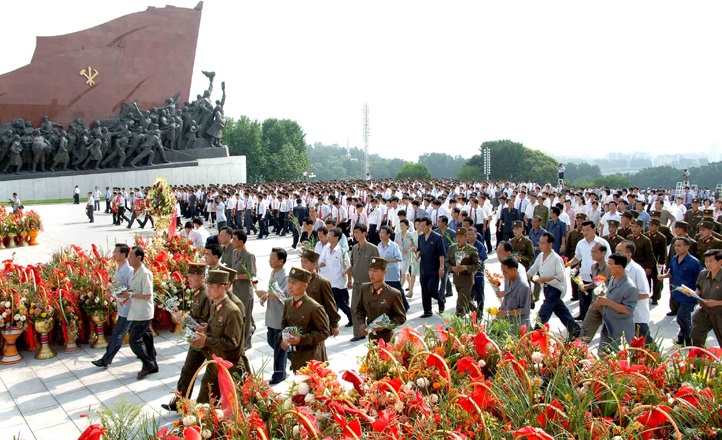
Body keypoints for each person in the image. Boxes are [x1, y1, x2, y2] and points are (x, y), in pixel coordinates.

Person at [191, 269, 249, 404]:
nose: (208, 290)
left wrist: (206, 340)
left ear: (223, 287)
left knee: (237, 406)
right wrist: (206, 330)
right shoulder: (215, 306)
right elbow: (216, 331)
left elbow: (232, 343)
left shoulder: (232, 311)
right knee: (203, 403)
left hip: (230, 367)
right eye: (208, 286)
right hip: (215, 363)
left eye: (211, 287)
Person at [162, 263, 211, 411]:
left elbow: (206, 320)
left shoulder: (205, 295)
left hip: (206, 341)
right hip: (196, 340)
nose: (188, 279)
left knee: (211, 376)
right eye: (188, 276)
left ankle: (205, 407)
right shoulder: (196, 293)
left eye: (192, 276)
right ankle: (180, 402)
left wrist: (188, 321)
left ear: (201, 277)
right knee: (187, 370)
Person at [528, 232, 580, 339]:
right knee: (561, 311)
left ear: (550, 244)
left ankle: (536, 332)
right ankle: (576, 331)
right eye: (540, 243)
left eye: (543, 243)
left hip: (556, 288)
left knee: (544, 311)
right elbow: (533, 269)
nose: (540, 245)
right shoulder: (540, 256)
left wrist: (545, 279)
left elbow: (560, 277)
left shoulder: (556, 258)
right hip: (547, 288)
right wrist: (524, 279)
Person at [280, 267, 331, 372]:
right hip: (296, 357)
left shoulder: (314, 307)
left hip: (312, 358)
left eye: (294, 283)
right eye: (289, 282)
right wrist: (283, 339)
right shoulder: (288, 303)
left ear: (305, 285)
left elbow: (324, 332)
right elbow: (284, 325)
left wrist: (302, 339)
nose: (290, 286)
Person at [92, 244, 133, 368]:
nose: (113, 254)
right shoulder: (118, 268)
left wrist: (119, 293)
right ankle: (149, 354)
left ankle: (106, 359)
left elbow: (133, 289)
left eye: (116, 252)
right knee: (142, 334)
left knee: (118, 334)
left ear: (124, 254)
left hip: (129, 308)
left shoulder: (129, 270)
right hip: (122, 306)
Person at [659, 237, 703, 346]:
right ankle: (682, 336)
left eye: (679, 245)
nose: (676, 248)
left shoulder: (694, 262)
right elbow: (671, 273)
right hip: (677, 293)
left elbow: (700, 279)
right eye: (675, 246)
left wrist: (697, 292)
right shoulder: (674, 259)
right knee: (682, 317)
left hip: (689, 295)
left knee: (682, 316)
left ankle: (689, 339)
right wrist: (663, 276)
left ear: (687, 247)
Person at [255, 247, 289, 385]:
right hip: (272, 315)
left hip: (280, 316)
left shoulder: (285, 276)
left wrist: (267, 294)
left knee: (279, 346)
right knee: (272, 341)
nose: (270, 261)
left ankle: (279, 374)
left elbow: (283, 295)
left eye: (272, 258)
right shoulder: (273, 272)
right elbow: (272, 291)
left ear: (281, 261)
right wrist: (265, 296)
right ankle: (289, 354)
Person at [124, 246, 158, 379]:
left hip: (143, 313)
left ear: (139, 258)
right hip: (136, 311)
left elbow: (147, 295)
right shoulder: (134, 272)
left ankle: (148, 363)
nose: (129, 259)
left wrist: (129, 295)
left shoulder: (145, 273)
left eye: (131, 256)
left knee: (134, 341)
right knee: (147, 339)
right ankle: (153, 365)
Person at [593, 253, 638, 353]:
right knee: (602, 354)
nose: (607, 266)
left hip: (620, 330)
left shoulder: (630, 287)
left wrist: (608, 302)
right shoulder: (613, 279)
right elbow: (610, 296)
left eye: (610, 264)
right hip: (607, 325)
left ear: (620, 267)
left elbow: (628, 310)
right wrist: (602, 300)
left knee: (620, 357)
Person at [355, 257, 407, 344]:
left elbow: (401, 317)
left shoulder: (393, 293)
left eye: (375, 271)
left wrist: (385, 325)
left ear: (384, 272)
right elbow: (359, 309)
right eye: (370, 270)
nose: (371, 274)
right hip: (372, 338)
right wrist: (361, 323)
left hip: (387, 339)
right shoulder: (365, 288)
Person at [348, 224, 380, 341]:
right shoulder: (354, 248)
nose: (355, 235)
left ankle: (374, 332)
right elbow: (352, 264)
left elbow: (378, 266)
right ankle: (358, 333)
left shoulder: (372, 249)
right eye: (354, 232)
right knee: (354, 308)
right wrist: (349, 279)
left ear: (364, 233)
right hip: (357, 284)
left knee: (370, 309)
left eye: (357, 232)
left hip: (369, 285)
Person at [319, 228, 353, 328]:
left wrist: (349, 280)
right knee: (341, 303)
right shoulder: (325, 248)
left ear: (337, 238)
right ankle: (352, 318)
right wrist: (318, 266)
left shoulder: (342, 251)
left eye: (331, 235)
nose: (328, 237)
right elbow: (322, 261)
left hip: (338, 282)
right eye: (328, 235)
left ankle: (331, 325)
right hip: (327, 281)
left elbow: (348, 267)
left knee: (333, 304)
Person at [230, 229, 257, 350]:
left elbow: (251, 274)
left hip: (245, 290)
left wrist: (237, 277)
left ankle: (246, 341)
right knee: (239, 315)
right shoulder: (234, 253)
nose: (232, 241)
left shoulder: (249, 255)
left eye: (235, 239)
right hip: (236, 289)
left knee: (246, 316)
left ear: (241, 242)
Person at [445, 227, 481, 316]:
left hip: (467, 280)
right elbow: (447, 262)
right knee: (466, 299)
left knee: (460, 302)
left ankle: (458, 317)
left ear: (466, 237)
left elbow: (477, 265)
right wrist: (452, 268)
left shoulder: (472, 249)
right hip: (457, 279)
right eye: (457, 237)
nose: (458, 239)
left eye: (461, 237)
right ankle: (478, 315)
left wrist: (466, 267)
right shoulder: (452, 248)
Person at [580, 243, 611, 341]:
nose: (592, 254)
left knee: (610, 332)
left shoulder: (609, 268)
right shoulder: (593, 267)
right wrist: (587, 286)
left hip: (607, 305)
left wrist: (603, 300)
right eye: (592, 251)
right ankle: (580, 348)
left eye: (595, 252)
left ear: (603, 253)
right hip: (595, 303)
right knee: (585, 329)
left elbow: (611, 287)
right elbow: (596, 283)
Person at [416, 217, 447, 317]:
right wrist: (418, 254)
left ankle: (440, 299)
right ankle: (427, 310)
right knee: (424, 290)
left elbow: (441, 254)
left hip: (434, 268)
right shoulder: (421, 237)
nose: (422, 228)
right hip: (423, 267)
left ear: (429, 225)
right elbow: (419, 249)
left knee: (432, 289)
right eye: (420, 226)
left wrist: (441, 268)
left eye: (423, 226)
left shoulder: (437, 237)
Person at [691, 250, 722, 347]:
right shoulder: (703, 274)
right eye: (706, 261)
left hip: (719, 312)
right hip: (704, 311)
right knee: (695, 336)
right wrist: (694, 293)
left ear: (720, 261)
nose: (708, 264)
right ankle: (697, 356)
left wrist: (716, 303)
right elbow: (699, 288)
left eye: (711, 261)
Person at [377, 225, 408, 311]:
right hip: (383, 273)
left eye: (383, 233)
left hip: (393, 273)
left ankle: (405, 305)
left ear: (388, 235)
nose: (381, 235)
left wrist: (389, 261)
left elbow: (399, 258)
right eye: (380, 233)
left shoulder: (394, 246)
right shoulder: (379, 245)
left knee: (397, 290)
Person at [498, 256, 531, 330]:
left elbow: (524, 310)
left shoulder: (523, 286)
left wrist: (507, 313)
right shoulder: (507, 280)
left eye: (505, 272)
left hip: (519, 326)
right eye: (502, 271)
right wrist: (500, 310)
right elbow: (506, 296)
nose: (503, 274)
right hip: (508, 323)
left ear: (514, 270)